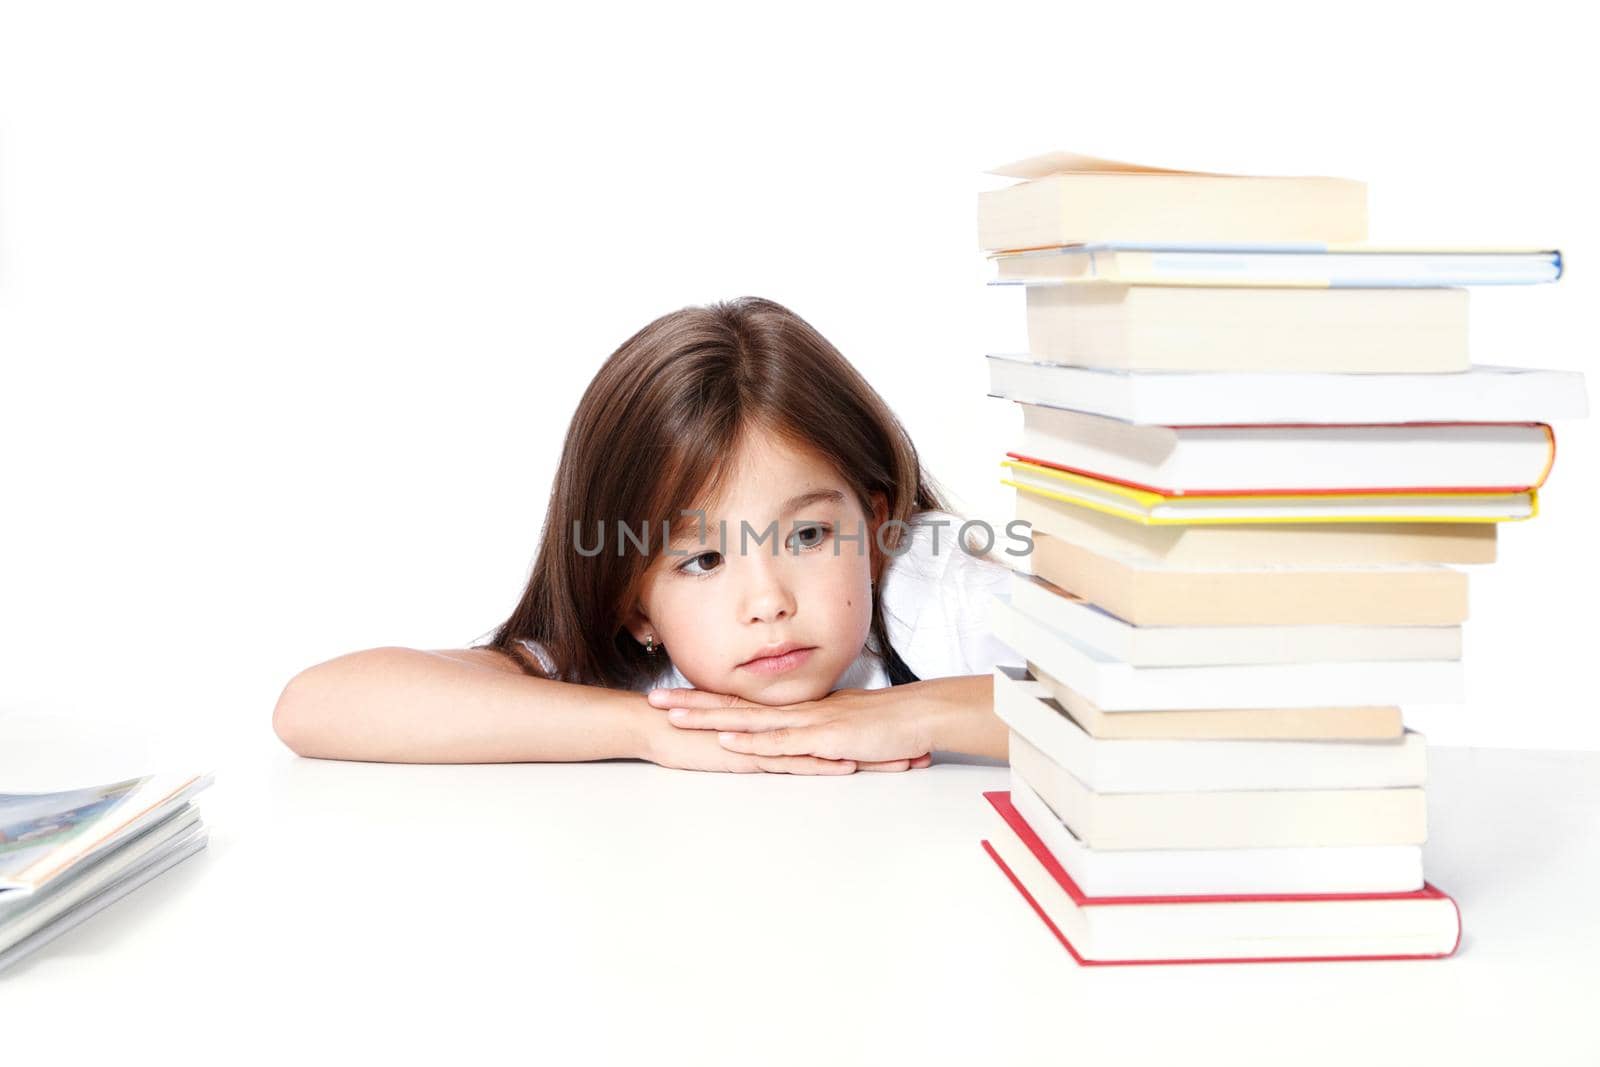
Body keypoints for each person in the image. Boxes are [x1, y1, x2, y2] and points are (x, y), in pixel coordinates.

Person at [271, 296, 1027, 773]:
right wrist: (647, 731)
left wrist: (918, 711)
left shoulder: (934, 596)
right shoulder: (642, 678)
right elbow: (315, 705)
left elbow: (1135, 712)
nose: (766, 601)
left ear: (878, 526)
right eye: (702, 558)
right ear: (636, 607)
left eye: (807, 537)